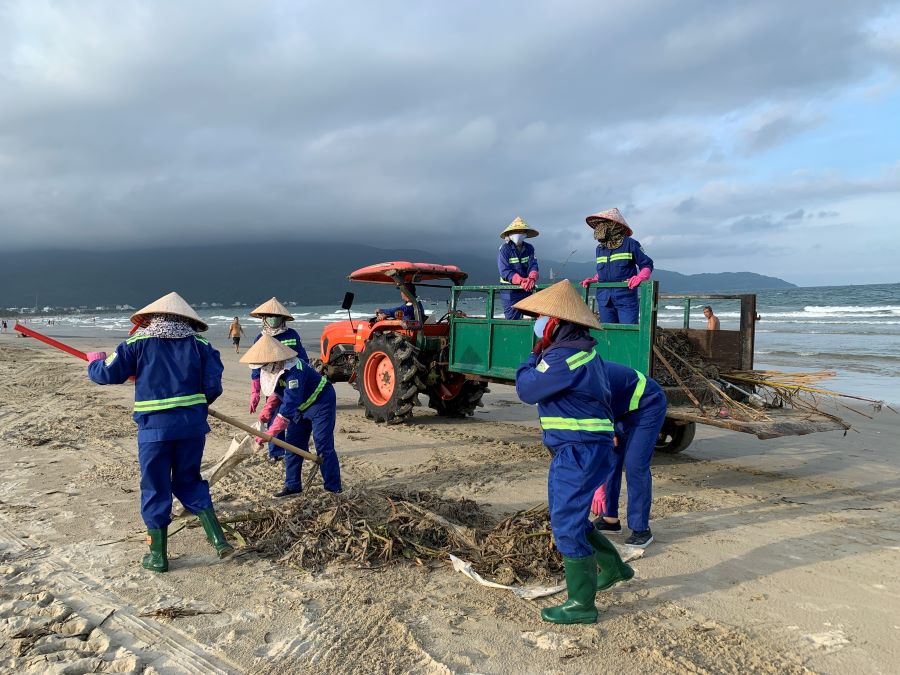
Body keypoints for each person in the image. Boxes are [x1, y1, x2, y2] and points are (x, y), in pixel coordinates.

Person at [85, 291, 233, 573]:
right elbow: (213, 386)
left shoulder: (137, 343)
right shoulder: (202, 345)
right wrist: (194, 405)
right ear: (185, 319)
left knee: (155, 487)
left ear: (153, 317)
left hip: (154, 430)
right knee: (189, 479)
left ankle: (158, 557)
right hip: (192, 427)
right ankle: (218, 539)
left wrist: (94, 363)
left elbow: (108, 373)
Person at [513, 281, 634, 624]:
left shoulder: (564, 356)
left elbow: (527, 389)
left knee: (565, 525)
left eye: (539, 317)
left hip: (577, 452)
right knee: (577, 517)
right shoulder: (584, 351)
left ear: (554, 322)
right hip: (588, 450)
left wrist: (529, 359)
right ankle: (613, 567)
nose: (535, 323)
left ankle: (581, 604)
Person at [241, 335, 342, 497]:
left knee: (323, 445)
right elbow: (279, 391)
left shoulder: (295, 371)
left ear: (274, 360)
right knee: (293, 445)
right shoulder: (273, 369)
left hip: (320, 402)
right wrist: (267, 409)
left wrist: (269, 434)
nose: (263, 369)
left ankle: (333, 487)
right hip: (300, 406)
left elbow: (288, 406)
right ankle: (293, 485)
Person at [590, 362, 668, 548]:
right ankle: (610, 519)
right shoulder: (572, 383)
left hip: (648, 404)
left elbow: (599, 410)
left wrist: (609, 432)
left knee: (635, 464)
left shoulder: (589, 379)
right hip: (620, 409)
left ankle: (641, 529)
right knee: (611, 459)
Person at [248, 297, 309, 463]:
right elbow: (256, 366)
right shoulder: (259, 338)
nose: (272, 319)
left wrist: (303, 375)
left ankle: (298, 450)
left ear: (282, 318)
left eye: (275, 316)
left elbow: (302, 357)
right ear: (263, 318)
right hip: (272, 383)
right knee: (274, 416)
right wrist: (256, 391)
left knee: (293, 414)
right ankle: (275, 451)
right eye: (268, 316)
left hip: (292, 380)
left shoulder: (292, 335)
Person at [580, 208, 653, 324]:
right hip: (605, 300)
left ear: (614, 226)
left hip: (625, 298)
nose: (600, 228)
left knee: (627, 334)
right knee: (609, 333)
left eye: (604, 224)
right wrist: (595, 279)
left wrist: (640, 277)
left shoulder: (630, 243)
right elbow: (607, 269)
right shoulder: (599, 249)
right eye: (599, 225)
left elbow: (647, 264)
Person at [497, 216, 540, 319]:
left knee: (535, 318)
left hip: (527, 290)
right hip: (510, 291)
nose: (518, 234)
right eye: (516, 231)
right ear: (509, 234)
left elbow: (533, 264)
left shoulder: (529, 248)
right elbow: (504, 271)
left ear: (525, 234)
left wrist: (532, 277)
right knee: (513, 321)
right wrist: (520, 280)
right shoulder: (504, 249)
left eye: (521, 231)